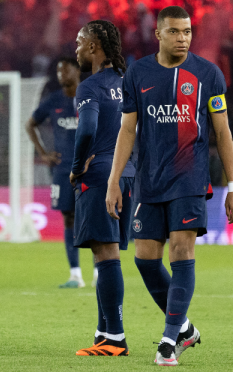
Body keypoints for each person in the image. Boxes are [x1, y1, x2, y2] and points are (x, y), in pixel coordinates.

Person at [106, 6, 233, 366]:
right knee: (145, 260)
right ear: (159, 34)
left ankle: (168, 342)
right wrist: (114, 180)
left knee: (181, 253)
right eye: (175, 32)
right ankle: (183, 326)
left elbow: (223, 131)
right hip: (149, 180)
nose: (183, 38)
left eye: (187, 32)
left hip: (189, 179)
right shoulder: (138, 73)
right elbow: (127, 129)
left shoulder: (208, 75)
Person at [70, 20, 134, 357]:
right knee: (105, 252)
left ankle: (116, 338)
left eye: (80, 42)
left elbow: (86, 129)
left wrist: (76, 165)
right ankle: (103, 331)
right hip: (128, 174)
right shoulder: (128, 84)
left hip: (99, 175)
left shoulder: (90, 87)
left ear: (94, 47)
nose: (76, 48)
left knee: (105, 255)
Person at [26, 58, 85, 288]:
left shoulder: (91, 96)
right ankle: (75, 274)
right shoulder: (53, 101)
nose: (61, 73)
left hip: (91, 170)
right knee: (69, 219)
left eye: (66, 68)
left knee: (95, 219)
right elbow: (30, 124)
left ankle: (101, 274)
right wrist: (43, 153)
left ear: (77, 71)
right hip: (62, 170)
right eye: (58, 69)